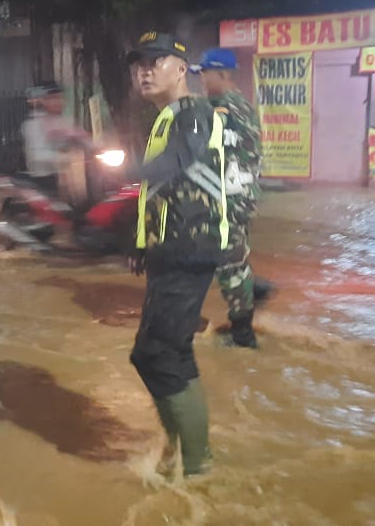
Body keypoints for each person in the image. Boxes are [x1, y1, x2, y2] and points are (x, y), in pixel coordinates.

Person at [126, 32, 228, 478]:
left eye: (154, 61)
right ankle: (180, 454)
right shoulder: (167, 116)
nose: (143, 71)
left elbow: (180, 161)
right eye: (138, 64)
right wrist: (140, 244)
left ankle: (198, 465)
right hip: (171, 248)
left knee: (157, 355)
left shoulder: (193, 113)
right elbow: (158, 191)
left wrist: (119, 174)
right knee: (165, 353)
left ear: (180, 69)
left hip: (190, 246)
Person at [191, 48, 264, 349]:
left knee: (228, 267)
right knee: (230, 260)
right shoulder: (234, 106)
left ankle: (244, 338)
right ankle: (253, 293)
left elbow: (210, 157)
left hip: (228, 200)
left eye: (205, 74)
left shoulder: (223, 111)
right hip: (237, 197)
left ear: (221, 74)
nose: (202, 81)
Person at [20, 83, 82, 195]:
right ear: (44, 101)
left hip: (66, 179)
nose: (60, 102)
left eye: (61, 98)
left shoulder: (62, 122)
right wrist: (66, 157)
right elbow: (37, 155)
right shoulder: (33, 125)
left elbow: (81, 137)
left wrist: (99, 146)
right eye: (54, 98)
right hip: (44, 181)